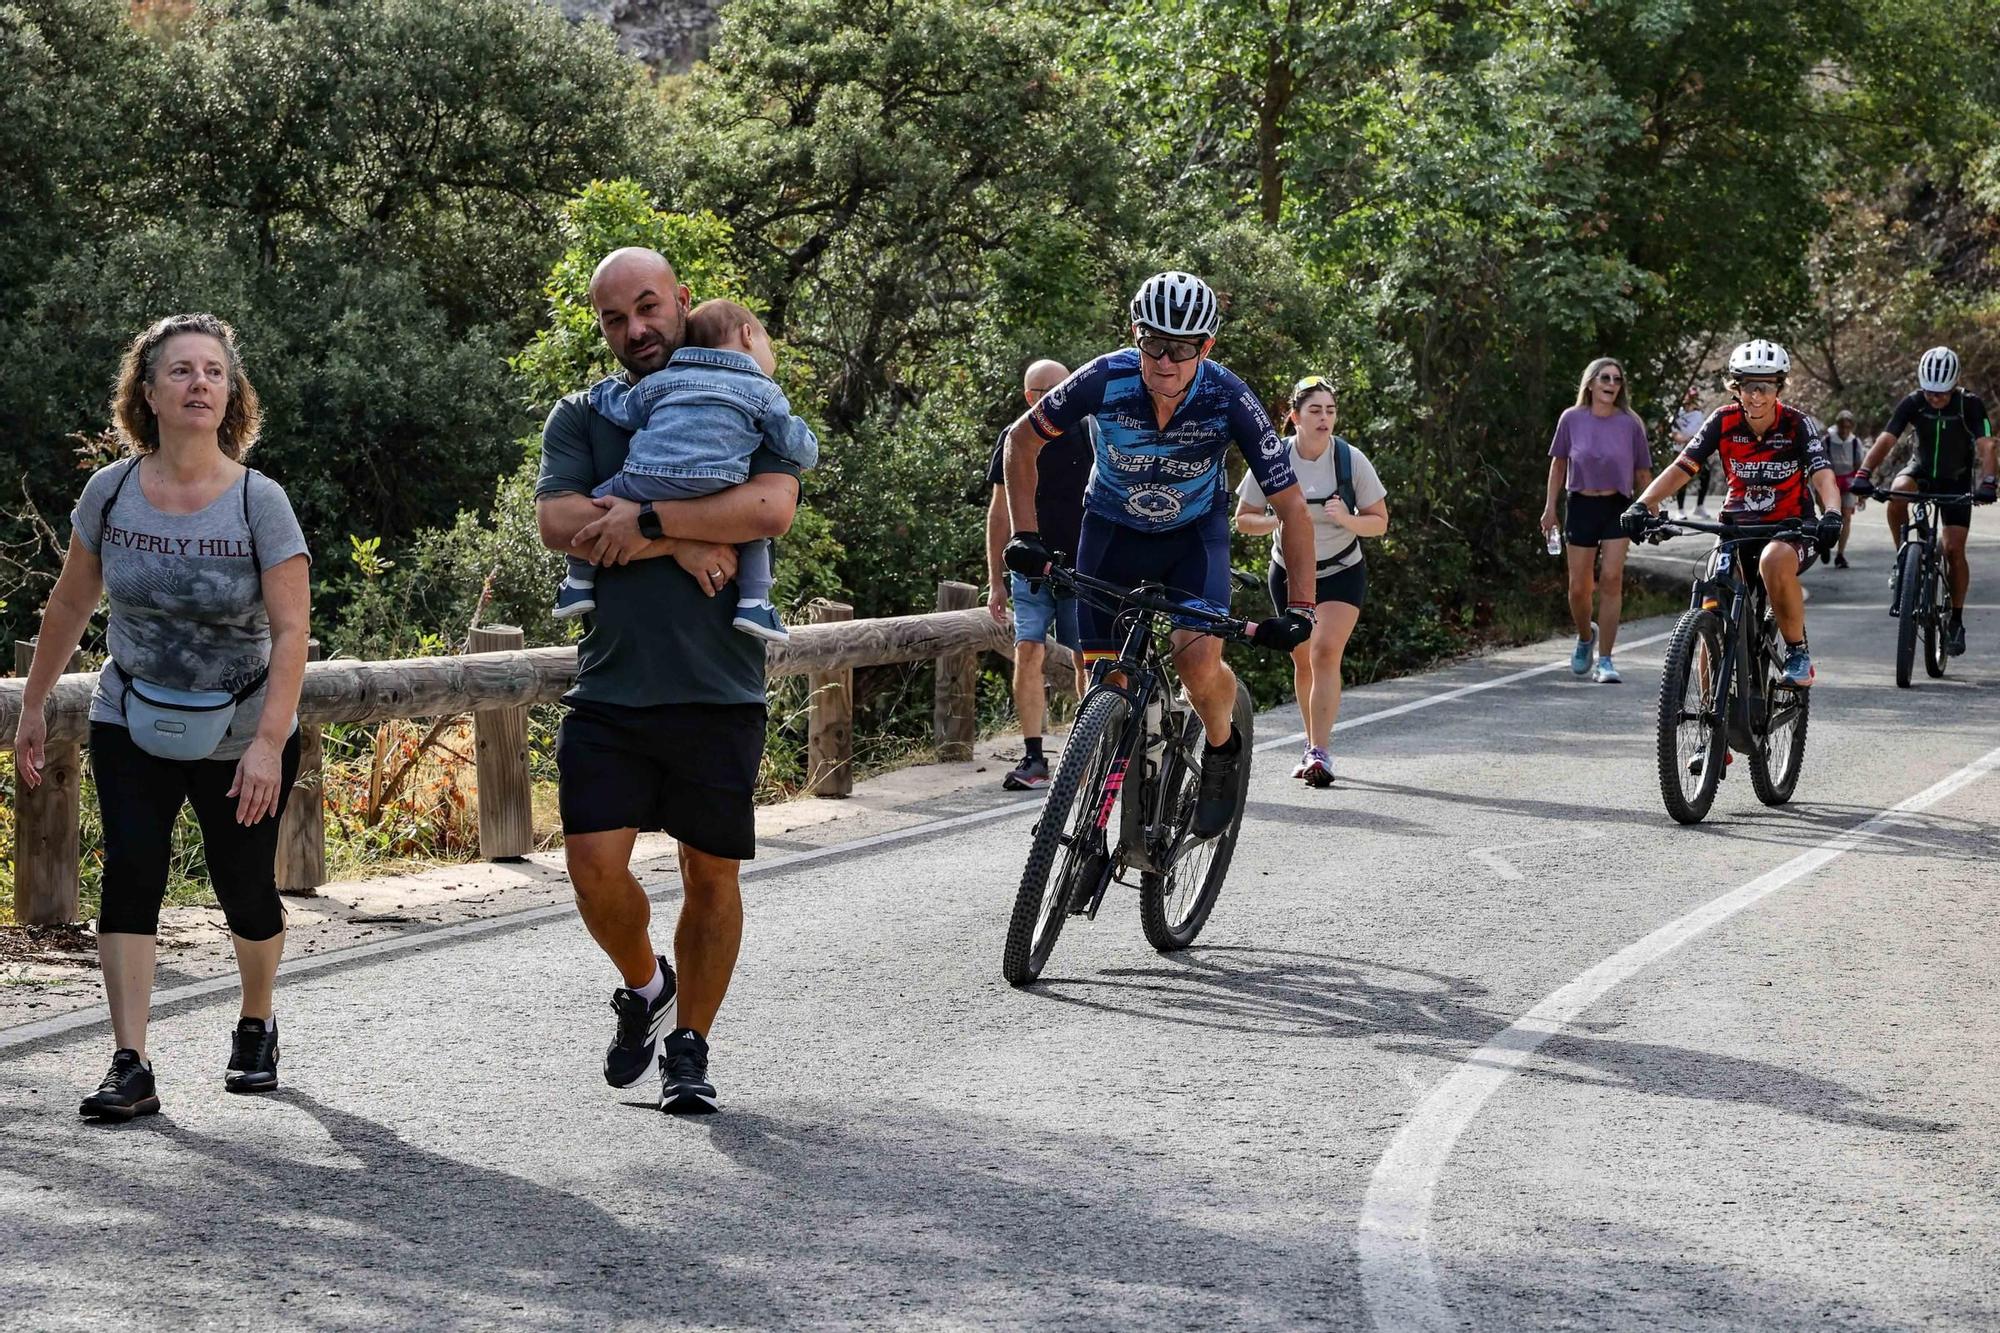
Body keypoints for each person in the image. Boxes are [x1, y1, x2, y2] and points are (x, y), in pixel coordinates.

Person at [12, 313, 311, 1121]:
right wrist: (35, 702)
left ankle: (257, 1019)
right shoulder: (110, 493)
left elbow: (292, 632)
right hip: (131, 712)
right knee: (131, 871)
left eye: (213, 371)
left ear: (232, 393)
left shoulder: (258, 501)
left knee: (243, 886)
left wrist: (269, 743)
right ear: (146, 392)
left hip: (242, 727)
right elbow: (70, 602)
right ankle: (130, 1061)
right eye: (180, 370)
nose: (198, 383)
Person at [535, 248, 803, 1114]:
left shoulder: (742, 389)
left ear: (682, 299)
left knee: (710, 876)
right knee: (591, 867)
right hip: (611, 687)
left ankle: (690, 1045)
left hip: (720, 687)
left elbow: (770, 508)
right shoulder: (586, 414)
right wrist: (685, 539)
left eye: (648, 307)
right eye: (615, 318)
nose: (636, 329)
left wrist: (647, 520)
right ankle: (647, 983)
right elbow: (559, 521)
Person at [999, 271, 1317, 839]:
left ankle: (1221, 748)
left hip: (1193, 538)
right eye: (1154, 343)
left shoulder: (1229, 397)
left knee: (1196, 662)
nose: (1165, 361)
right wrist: (1025, 534)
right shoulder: (1105, 377)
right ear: (1135, 334)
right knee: (1103, 677)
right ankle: (1102, 788)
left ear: (1205, 347)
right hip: (1111, 531)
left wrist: (1301, 608)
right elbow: (1021, 441)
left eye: (1182, 348)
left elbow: (1292, 508)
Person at [552, 299, 817, 642]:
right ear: (748, 335)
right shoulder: (764, 392)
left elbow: (625, 408)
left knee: (600, 503)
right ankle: (755, 604)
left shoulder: (666, 380)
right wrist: (808, 453)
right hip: (721, 482)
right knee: (752, 537)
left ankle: (577, 582)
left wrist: (602, 392)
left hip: (648, 476)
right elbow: (791, 441)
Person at [1622, 339, 1841, 685]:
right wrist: (1642, 503)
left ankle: (1797, 652)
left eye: (1765, 386)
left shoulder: (1797, 423)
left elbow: (1822, 474)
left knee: (1772, 561)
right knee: (1714, 598)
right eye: (1747, 386)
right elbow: (1684, 466)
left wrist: (1832, 513)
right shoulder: (1723, 421)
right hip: (1735, 529)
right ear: (1735, 388)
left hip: (1791, 529)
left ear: (1779, 387)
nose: (1756, 396)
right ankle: (1711, 708)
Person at [1234, 377, 1389, 787]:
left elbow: (1379, 523)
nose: (1324, 418)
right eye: (1315, 411)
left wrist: (1347, 518)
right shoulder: (1274, 457)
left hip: (1341, 570)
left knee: (1324, 653)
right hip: (1289, 572)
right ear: (1295, 417)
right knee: (1302, 659)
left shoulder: (1349, 459)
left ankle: (1320, 751)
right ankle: (1310, 743)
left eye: (1330, 411)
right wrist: (1279, 518)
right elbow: (1244, 518)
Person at [983, 358, 1092, 789]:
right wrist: (995, 580)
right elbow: (999, 512)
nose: (1062, 397)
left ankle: (1088, 750)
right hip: (1030, 567)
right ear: (1030, 397)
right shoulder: (1015, 437)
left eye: (1068, 387)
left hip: (1082, 568)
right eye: (1050, 391)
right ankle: (1033, 758)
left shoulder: (1090, 432)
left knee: (1085, 658)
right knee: (1028, 650)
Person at [1849, 347, 1998, 655]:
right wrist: (1863, 473)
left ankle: (1956, 620)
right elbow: (1887, 439)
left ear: (1954, 385)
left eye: (1941, 393)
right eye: (1930, 392)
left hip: (1956, 479)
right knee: (1898, 491)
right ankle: (1904, 559)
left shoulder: (1969, 405)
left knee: (1954, 549)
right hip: (1921, 470)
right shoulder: (1913, 402)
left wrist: (1988, 481)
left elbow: (1987, 445)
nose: (1934, 398)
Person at [1539, 357, 1653, 684]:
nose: (1612, 384)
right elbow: (1558, 465)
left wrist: (1653, 510)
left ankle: (1605, 660)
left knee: (1612, 579)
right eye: (1605, 378)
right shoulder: (1571, 418)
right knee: (1579, 588)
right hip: (1581, 504)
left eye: (1617, 379)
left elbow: (1643, 472)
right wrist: (1550, 509)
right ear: (1590, 383)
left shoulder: (1631, 423)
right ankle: (1585, 637)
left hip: (1618, 505)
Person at [1822, 408, 1867, 568]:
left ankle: (1840, 554)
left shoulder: (1855, 442)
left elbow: (1859, 465)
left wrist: (1861, 491)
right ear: (1838, 425)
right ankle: (1825, 544)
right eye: (1842, 426)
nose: (1845, 430)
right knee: (1829, 515)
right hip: (1831, 480)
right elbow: (1820, 463)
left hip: (1848, 480)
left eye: (1848, 427)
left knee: (1846, 517)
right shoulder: (1827, 441)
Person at [1669, 386, 1712, 517]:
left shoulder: (1698, 415)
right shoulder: (1677, 413)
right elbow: (1672, 432)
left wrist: (1689, 440)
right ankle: (1680, 509)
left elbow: (1700, 433)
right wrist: (1679, 438)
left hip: (1695, 450)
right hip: (1679, 450)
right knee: (1681, 478)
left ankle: (1699, 506)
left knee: (1705, 475)